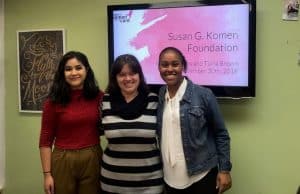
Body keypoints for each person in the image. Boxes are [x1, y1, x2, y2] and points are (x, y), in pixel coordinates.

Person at [156, 47, 232, 194]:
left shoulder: (204, 95)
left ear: (183, 66)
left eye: (175, 64)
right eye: (164, 64)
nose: (169, 69)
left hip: (201, 176)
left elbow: (221, 134)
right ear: (159, 67)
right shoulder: (160, 95)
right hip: (169, 178)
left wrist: (224, 169)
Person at [39, 51, 104, 194]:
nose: (74, 73)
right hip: (63, 159)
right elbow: (45, 140)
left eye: (78, 68)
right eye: (68, 69)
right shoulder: (52, 101)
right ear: (62, 73)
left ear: (87, 70)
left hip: (92, 157)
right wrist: (47, 175)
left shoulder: (99, 96)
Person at [100, 54, 164, 194]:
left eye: (132, 73)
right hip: (112, 182)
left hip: (150, 183)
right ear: (115, 78)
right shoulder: (105, 101)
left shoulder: (154, 100)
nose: (128, 78)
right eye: (122, 74)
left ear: (139, 75)